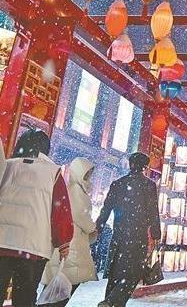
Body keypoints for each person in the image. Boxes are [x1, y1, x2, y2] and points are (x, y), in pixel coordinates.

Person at [0, 129, 74, 307]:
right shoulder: (52, 172)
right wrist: (63, 241)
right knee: (25, 297)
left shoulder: (7, 166)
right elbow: (61, 211)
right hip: (33, 247)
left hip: (2, 243)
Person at [95, 152, 161, 307]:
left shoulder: (118, 184)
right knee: (133, 272)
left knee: (116, 273)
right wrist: (156, 233)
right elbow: (153, 212)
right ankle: (112, 301)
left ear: (130, 165)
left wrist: (99, 226)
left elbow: (106, 208)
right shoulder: (149, 185)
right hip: (138, 236)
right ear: (145, 167)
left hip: (118, 234)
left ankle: (110, 300)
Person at [41, 158, 98, 307]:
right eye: (87, 174)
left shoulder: (71, 188)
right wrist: (92, 227)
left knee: (58, 284)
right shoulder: (76, 191)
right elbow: (80, 215)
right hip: (73, 243)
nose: (89, 177)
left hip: (68, 240)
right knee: (66, 284)